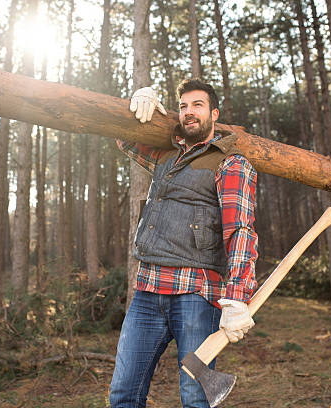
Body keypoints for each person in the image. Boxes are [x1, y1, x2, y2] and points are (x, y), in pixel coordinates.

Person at [109, 79, 259, 408]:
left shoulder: (230, 163)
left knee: (194, 399)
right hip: (147, 292)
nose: (188, 112)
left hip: (196, 295)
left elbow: (240, 231)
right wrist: (136, 106)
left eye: (197, 105)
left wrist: (237, 298)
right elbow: (124, 138)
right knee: (123, 394)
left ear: (214, 114)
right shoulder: (167, 158)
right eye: (183, 106)